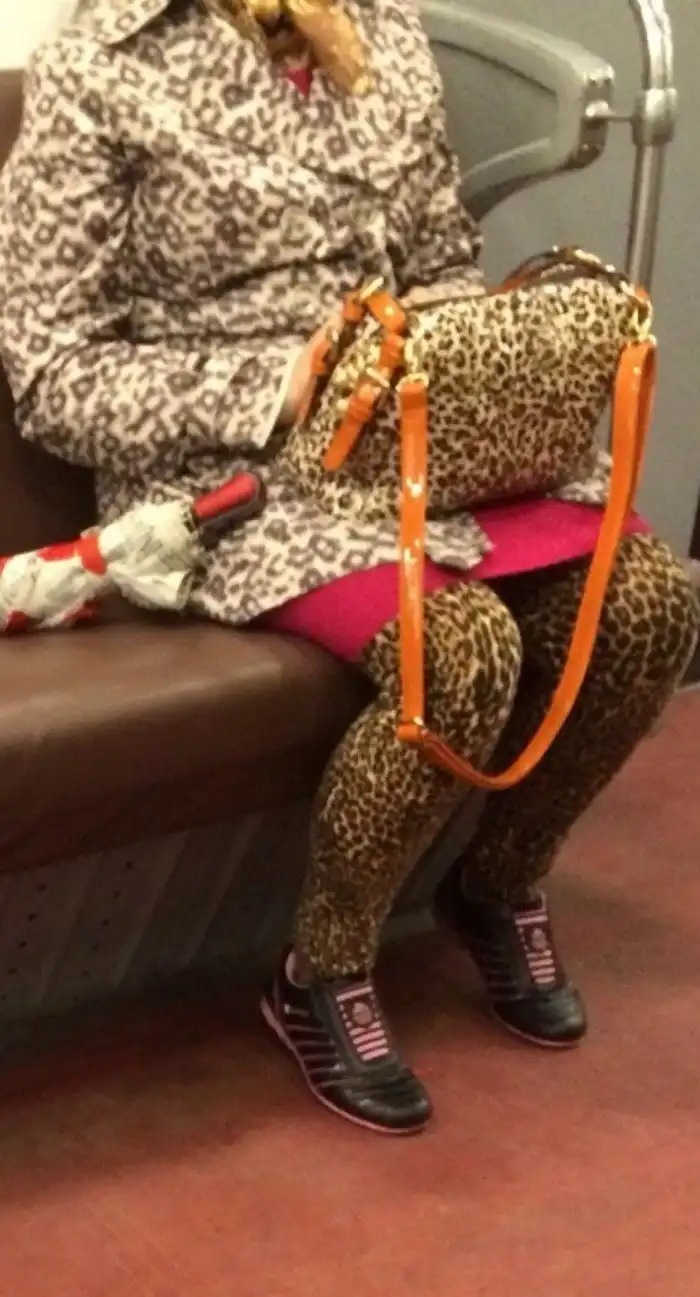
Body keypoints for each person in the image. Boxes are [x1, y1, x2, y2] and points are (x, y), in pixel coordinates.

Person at [0, 0, 697, 1137]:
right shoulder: (100, 69)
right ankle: (322, 968)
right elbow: (50, 376)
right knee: (453, 648)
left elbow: (442, 262)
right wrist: (277, 386)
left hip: (413, 437)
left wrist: (470, 358)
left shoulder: (384, 33)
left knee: (648, 605)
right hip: (230, 473)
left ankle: (499, 880)